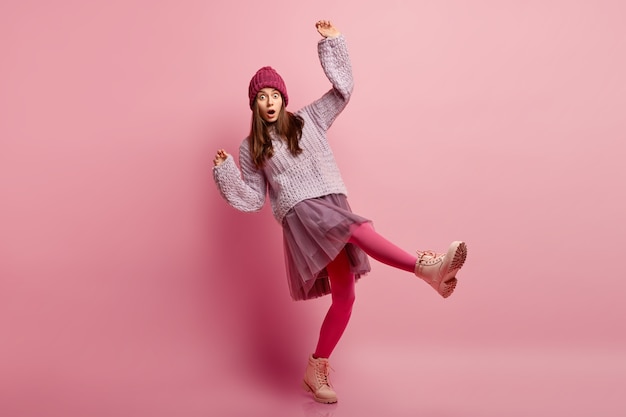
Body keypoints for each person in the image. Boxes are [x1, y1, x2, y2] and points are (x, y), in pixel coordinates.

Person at [212, 20, 467, 404]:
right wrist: (226, 172)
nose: (268, 102)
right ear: (253, 105)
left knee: (345, 296)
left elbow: (342, 92)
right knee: (358, 229)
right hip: (302, 215)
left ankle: (316, 369)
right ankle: (425, 267)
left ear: (283, 98)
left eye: (273, 94)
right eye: (260, 96)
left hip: (331, 199)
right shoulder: (251, 148)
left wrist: (332, 44)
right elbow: (251, 199)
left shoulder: (309, 119)